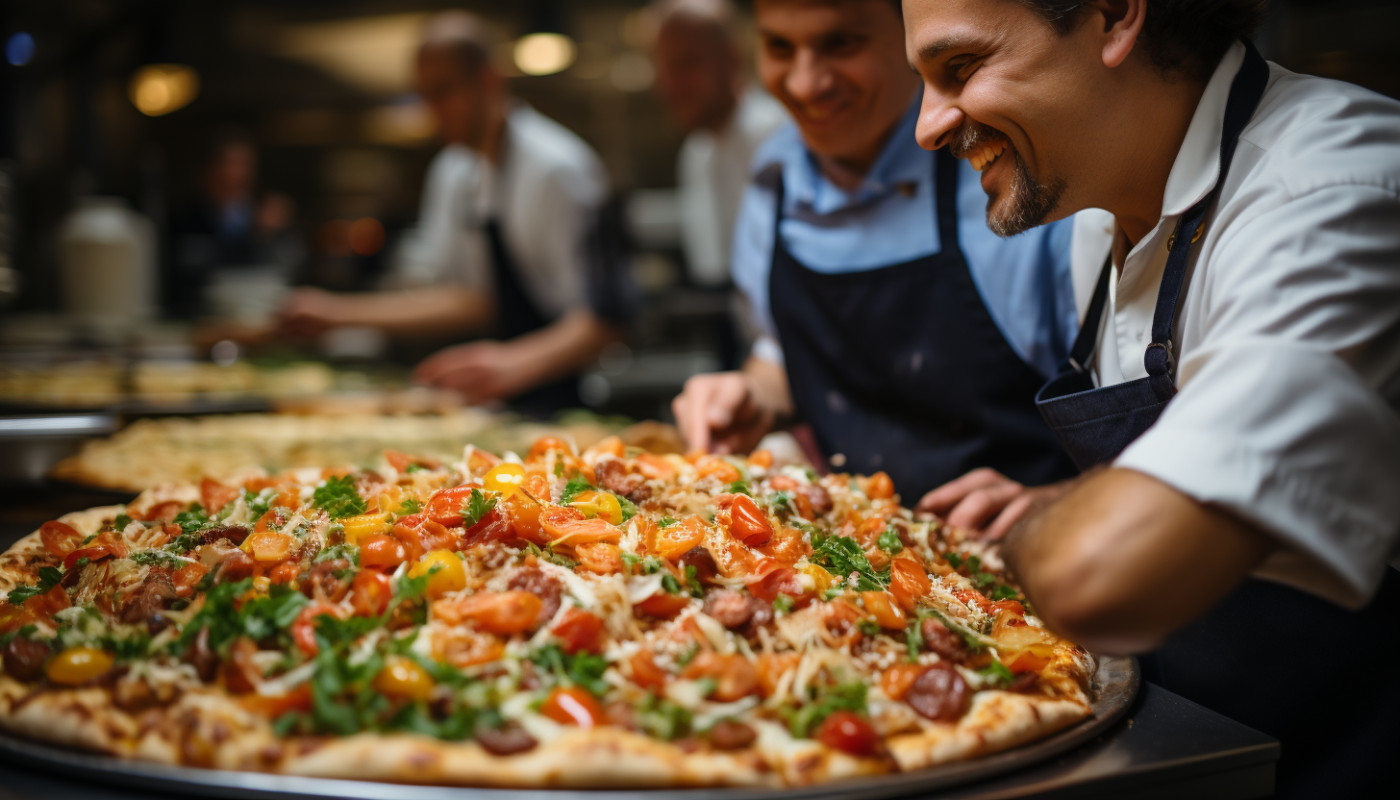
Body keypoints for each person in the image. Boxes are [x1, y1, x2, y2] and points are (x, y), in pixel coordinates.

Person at [903, 0, 1400, 794]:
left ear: (1114, 17)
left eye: (959, 69)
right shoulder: (1094, 225)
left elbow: (1096, 579)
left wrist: (1044, 527)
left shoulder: (1328, 186)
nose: (927, 126)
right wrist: (1070, 495)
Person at [671, 0, 1080, 503]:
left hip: (1015, 556)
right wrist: (754, 394)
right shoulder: (774, 176)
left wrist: (1058, 501)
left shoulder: (1011, 176)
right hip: (849, 561)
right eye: (780, 46)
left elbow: (1142, 426)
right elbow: (780, 350)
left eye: (840, 43)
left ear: (912, 34)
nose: (804, 84)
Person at [279, 12, 628, 415]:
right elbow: (471, 300)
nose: (432, 111)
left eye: (444, 92)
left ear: (489, 81)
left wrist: (511, 364)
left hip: (560, 401)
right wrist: (338, 315)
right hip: (489, 402)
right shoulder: (453, 170)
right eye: (425, 95)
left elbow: (605, 322)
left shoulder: (557, 169)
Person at [651, 0, 788, 290]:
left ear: (731, 59)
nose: (671, 84)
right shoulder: (695, 153)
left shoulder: (779, 138)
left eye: (686, 64)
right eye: (663, 68)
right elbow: (714, 275)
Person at [167, 130, 300, 317]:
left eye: (243, 165)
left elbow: (290, 268)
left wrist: (268, 235)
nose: (234, 173)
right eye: (227, 163)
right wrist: (251, 237)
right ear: (206, 169)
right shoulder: (181, 218)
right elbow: (182, 275)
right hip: (199, 315)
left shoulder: (269, 214)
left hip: (258, 313)